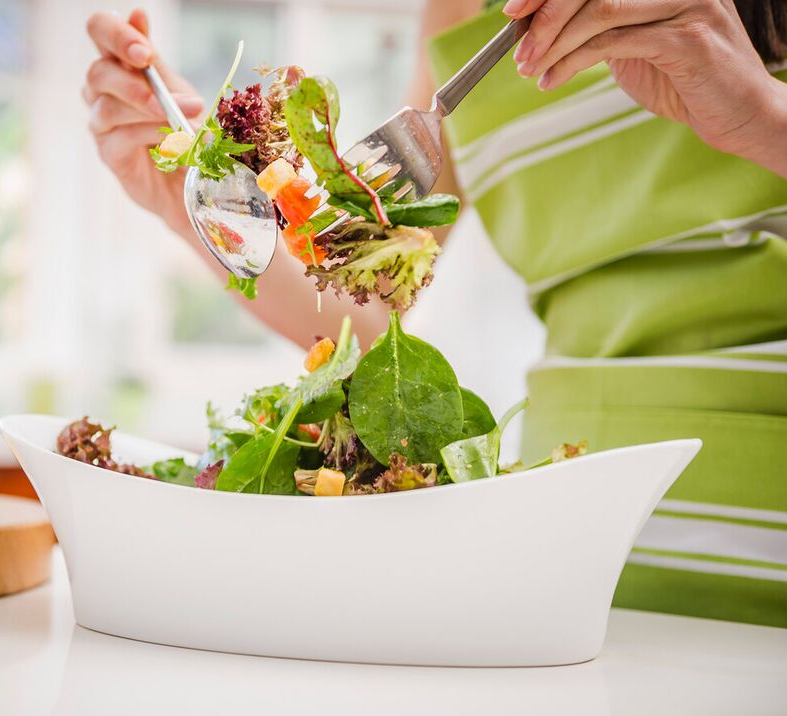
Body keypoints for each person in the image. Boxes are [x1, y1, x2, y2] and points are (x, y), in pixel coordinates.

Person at [84, 0, 787, 627]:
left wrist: (763, 118)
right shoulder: (459, 10)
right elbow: (361, 310)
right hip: (574, 549)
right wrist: (197, 200)